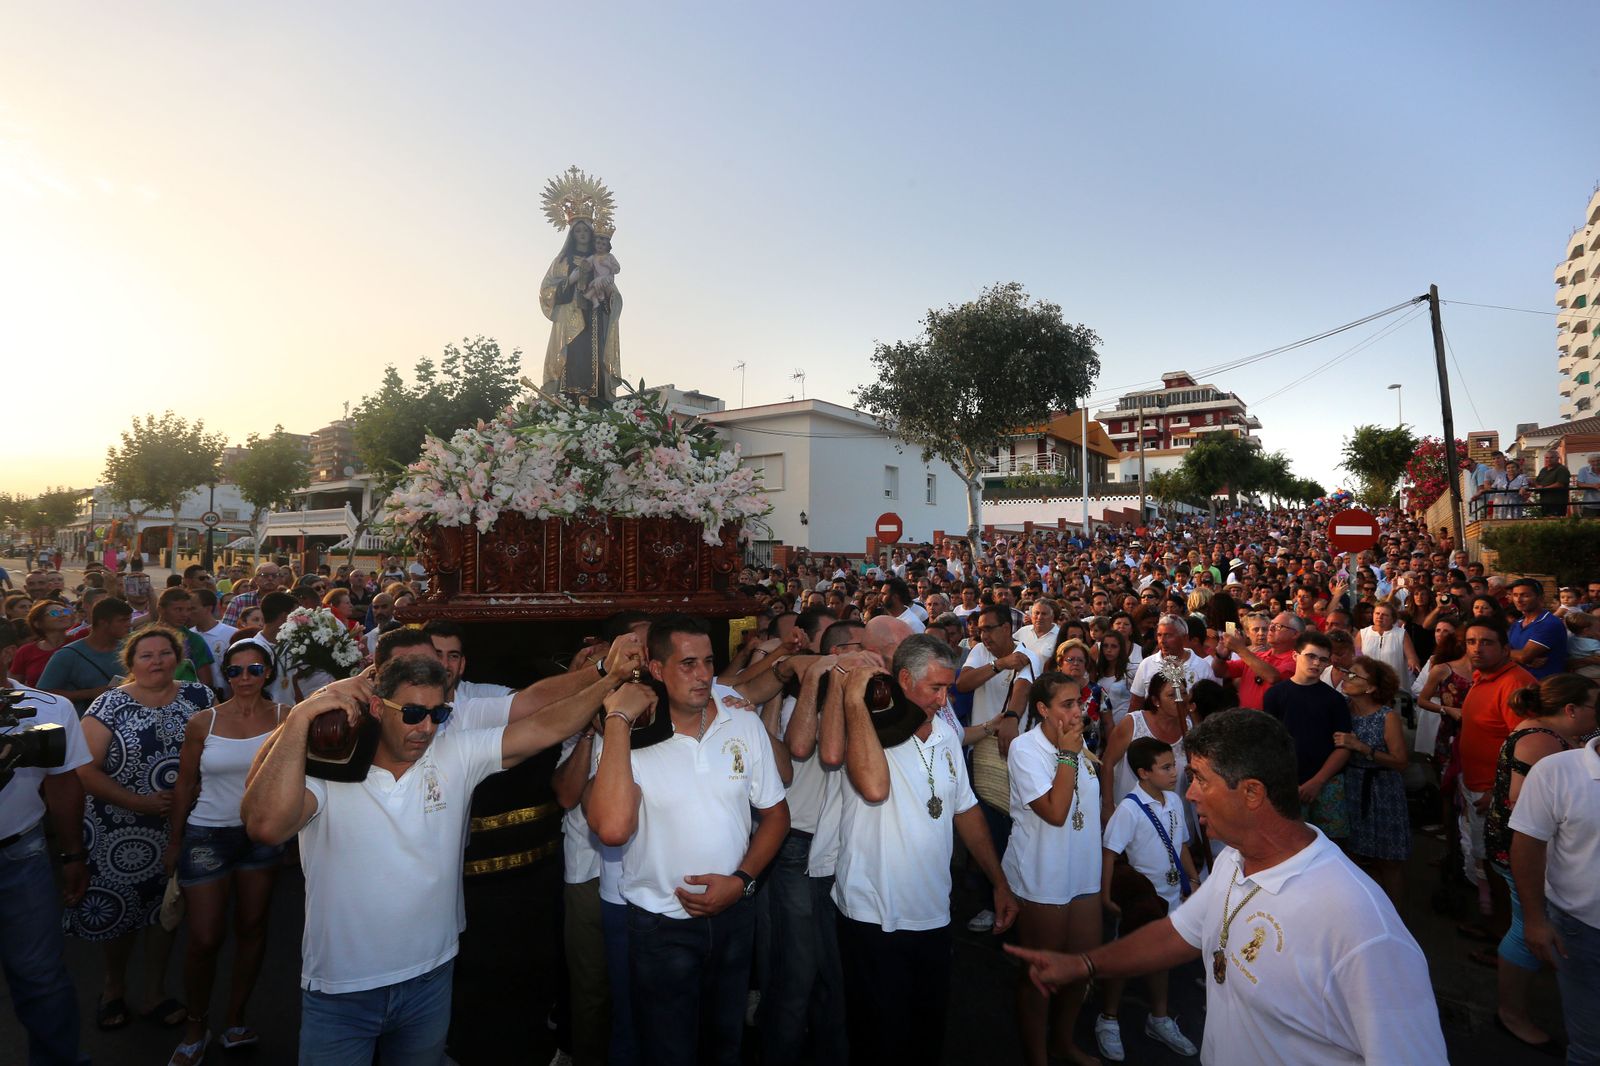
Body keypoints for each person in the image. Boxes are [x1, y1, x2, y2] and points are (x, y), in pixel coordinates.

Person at [242, 636, 639, 1066]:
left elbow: (544, 727)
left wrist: (610, 679)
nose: (426, 727)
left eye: (438, 714)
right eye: (412, 714)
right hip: (342, 990)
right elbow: (265, 825)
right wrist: (300, 719)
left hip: (430, 979)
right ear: (378, 707)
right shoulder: (331, 767)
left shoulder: (455, 755)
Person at [1006, 709, 1448, 1066]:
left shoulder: (1362, 927)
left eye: (1201, 779)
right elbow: (1176, 934)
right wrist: (1082, 964)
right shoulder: (1234, 863)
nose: (1191, 793)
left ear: (1252, 792)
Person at [586, 615, 789, 1066]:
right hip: (661, 925)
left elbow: (776, 814)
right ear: (657, 670)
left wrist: (742, 881)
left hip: (736, 916)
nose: (703, 676)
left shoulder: (739, 717)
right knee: (666, 1050)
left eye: (709, 663)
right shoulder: (629, 732)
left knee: (726, 1046)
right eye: (688, 664)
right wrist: (618, 719)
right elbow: (613, 828)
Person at [829, 637, 1018, 1063]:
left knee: (926, 1032)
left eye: (947, 688)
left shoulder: (947, 733)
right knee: (877, 1039)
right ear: (903, 680)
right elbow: (874, 789)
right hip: (874, 915)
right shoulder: (866, 728)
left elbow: (965, 810)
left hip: (933, 912)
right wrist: (856, 701)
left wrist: (999, 883)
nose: (943, 698)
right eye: (935, 688)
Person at [67, 625, 215, 1032]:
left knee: (166, 912)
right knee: (121, 913)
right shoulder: (109, 704)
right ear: (130, 663)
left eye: (164, 653)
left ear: (179, 658)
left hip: (182, 826)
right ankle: (113, 987)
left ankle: (153, 991)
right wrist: (137, 802)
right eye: (146, 655)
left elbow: (217, 751)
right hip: (118, 828)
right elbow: (83, 768)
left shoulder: (200, 697)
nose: (156, 661)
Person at [162, 640, 287, 1065]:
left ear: (267, 673)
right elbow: (184, 785)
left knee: (253, 926)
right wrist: (175, 842)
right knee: (205, 936)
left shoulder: (286, 719)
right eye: (236, 671)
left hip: (261, 835)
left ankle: (235, 1018)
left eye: (254, 669)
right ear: (225, 676)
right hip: (208, 835)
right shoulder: (203, 722)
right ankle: (197, 1023)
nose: (245, 678)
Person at [1483, 673, 1596, 1053]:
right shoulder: (1542, 743)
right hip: (1520, 849)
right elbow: (1521, 800)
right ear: (1571, 709)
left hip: (1512, 842)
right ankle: (1512, 1014)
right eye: (1594, 707)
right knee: (1524, 929)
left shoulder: (1541, 731)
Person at [0, 620, 92, 1066]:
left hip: (22, 855)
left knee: (40, 976)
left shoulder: (49, 708)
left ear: (6, 655)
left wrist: (72, 854)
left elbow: (63, 784)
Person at [1003, 672, 1103, 1066]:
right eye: (1067, 704)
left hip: (1082, 869)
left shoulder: (1078, 742)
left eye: (1079, 702)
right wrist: (1067, 755)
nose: (1078, 711)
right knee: (1041, 974)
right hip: (1042, 871)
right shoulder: (1026, 750)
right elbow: (1056, 813)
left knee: (1080, 969)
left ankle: (1063, 1042)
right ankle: (1037, 1055)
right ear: (1042, 709)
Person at [1096, 736, 1200, 1062]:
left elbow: (1181, 845)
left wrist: (1193, 879)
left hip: (1170, 897)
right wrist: (1106, 895)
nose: (1175, 772)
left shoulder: (1173, 801)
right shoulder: (1129, 809)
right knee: (1125, 957)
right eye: (1166, 767)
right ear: (1143, 773)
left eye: (1174, 764)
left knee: (1161, 959)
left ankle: (1159, 1017)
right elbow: (1109, 853)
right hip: (1140, 899)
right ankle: (1108, 1019)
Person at [1509, 695, 1600, 1065]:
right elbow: (1527, 846)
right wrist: (1534, 919)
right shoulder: (1557, 771)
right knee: (1590, 1045)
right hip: (1583, 930)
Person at [1457, 618, 1536, 904]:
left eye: (1487, 642)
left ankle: (1501, 937)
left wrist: (1497, 792)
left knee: (1499, 867)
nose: (1477, 649)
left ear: (1505, 649)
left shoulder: (1514, 683)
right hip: (1477, 785)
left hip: (1496, 794)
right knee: (1483, 859)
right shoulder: (1484, 675)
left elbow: (1529, 746)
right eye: (1471, 642)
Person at [1333, 657, 1410, 908]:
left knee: (1389, 861)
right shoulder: (1341, 707)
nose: (1347, 677)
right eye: (1347, 672)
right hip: (1352, 785)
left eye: (1355, 675)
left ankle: (1396, 919)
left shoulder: (1387, 717)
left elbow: (1400, 761)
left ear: (1371, 688)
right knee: (1353, 854)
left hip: (1384, 789)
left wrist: (1361, 747)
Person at [1263, 630, 1352, 838]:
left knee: (1330, 845)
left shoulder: (1335, 700)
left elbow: (1344, 747)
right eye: (1310, 656)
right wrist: (1285, 780)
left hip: (1328, 782)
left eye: (1322, 659)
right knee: (1289, 842)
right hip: (1287, 782)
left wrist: (1318, 781)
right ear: (1295, 655)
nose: (1316, 663)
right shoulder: (1275, 695)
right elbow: (1270, 744)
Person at [37, 595, 133, 714]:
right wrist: (90, 693)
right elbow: (43, 694)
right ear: (103, 623)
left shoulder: (130, 649)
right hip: (85, 725)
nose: (129, 624)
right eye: (123, 620)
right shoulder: (67, 655)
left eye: (129, 619)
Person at [1507, 578, 1568, 680]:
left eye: (1525, 595)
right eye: (1515, 595)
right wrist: (1516, 656)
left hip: (1544, 687)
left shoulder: (1549, 623)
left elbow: (1523, 656)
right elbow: (1505, 650)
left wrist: (1518, 656)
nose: (1518, 600)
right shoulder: (1517, 623)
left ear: (1540, 598)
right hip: (1520, 684)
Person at [11, 599, 74, 688]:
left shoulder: (80, 642)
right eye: (54, 613)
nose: (63, 615)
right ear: (38, 623)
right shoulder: (26, 651)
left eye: (65, 611)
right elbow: (14, 686)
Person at [1531, 449, 1571, 517]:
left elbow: (1560, 484)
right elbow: (1537, 482)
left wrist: (1543, 488)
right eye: (1547, 458)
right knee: (1546, 522)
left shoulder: (1562, 469)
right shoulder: (1543, 470)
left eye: (1552, 457)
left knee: (1555, 523)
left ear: (1557, 458)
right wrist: (1536, 486)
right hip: (1544, 501)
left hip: (1557, 502)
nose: (1549, 459)